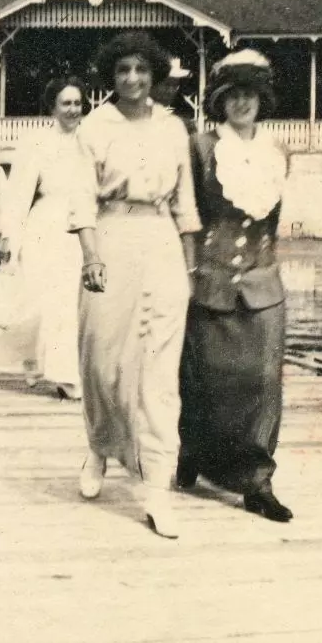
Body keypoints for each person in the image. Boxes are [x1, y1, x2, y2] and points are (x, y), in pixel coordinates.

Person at [71, 31, 201, 539]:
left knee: (158, 374)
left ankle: (158, 490)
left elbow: (186, 204)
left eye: (141, 70)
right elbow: (81, 199)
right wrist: (91, 255)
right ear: (112, 76)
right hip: (111, 238)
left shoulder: (173, 128)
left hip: (162, 243)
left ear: (154, 75)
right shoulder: (95, 127)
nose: (132, 79)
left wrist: (189, 270)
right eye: (123, 70)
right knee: (103, 362)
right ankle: (100, 445)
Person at [177, 48, 293, 523]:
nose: (242, 104)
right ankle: (193, 451)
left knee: (264, 382)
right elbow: (187, 214)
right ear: (219, 101)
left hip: (264, 285)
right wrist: (187, 273)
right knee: (207, 383)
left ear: (262, 101)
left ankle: (257, 480)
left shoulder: (278, 153)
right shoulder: (201, 148)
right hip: (211, 280)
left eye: (251, 95)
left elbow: (275, 220)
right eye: (233, 96)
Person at [0, 76, 87, 399]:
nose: (73, 110)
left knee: (71, 302)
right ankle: (51, 368)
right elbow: (19, 193)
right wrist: (10, 235)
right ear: (53, 107)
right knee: (47, 301)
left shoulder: (90, 141)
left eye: (77, 103)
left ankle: (65, 371)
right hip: (46, 227)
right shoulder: (37, 142)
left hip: (82, 228)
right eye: (66, 103)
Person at [151, 56, 197, 135]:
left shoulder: (183, 124)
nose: (171, 91)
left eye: (175, 86)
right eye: (167, 85)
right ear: (153, 85)